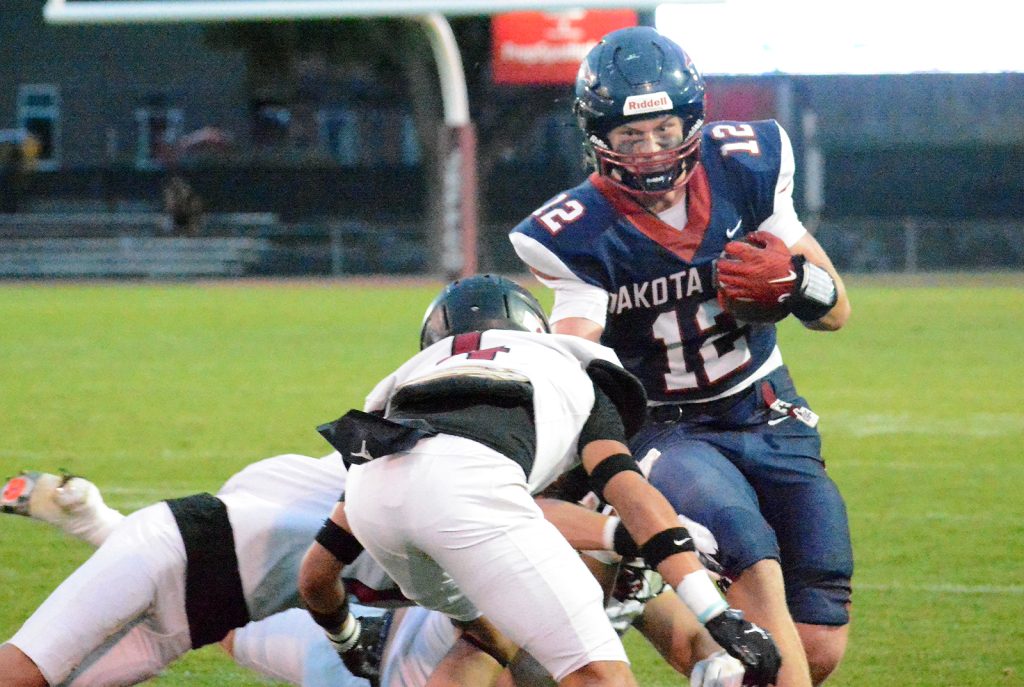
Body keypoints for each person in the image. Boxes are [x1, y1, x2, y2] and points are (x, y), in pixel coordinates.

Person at [508, 26, 854, 687]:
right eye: (631, 137)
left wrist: (797, 283)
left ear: (692, 119)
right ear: (597, 137)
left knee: (816, 645)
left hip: (766, 406)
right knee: (753, 563)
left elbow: (836, 311)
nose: (650, 151)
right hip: (668, 426)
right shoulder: (578, 232)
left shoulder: (747, 166)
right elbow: (574, 357)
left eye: (663, 131)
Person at [298, 274, 780, 687]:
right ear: (534, 329)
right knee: (596, 673)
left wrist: (348, 641)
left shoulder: (409, 384)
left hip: (376, 500)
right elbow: (630, 492)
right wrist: (717, 613)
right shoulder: (569, 371)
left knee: (485, 631)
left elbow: (315, 573)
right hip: (473, 499)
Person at [3, 468, 745, 687]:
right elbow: (476, 665)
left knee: (218, 615)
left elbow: (688, 642)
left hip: (358, 619)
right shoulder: (507, 556)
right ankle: (104, 528)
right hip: (360, 651)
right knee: (227, 620)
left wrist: (716, 667)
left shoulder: (625, 571)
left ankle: (106, 528)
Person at [0, 453, 398, 687]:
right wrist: (346, 637)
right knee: (24, 670)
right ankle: (100, 524)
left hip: (210, 607)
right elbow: (314, 573)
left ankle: (99, 522)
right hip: (191, 543)